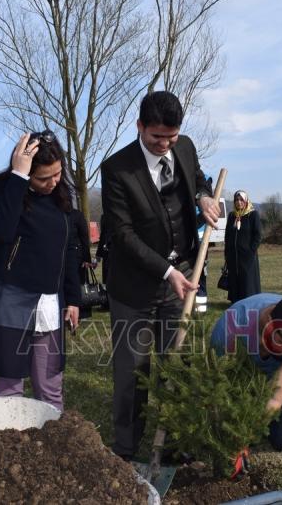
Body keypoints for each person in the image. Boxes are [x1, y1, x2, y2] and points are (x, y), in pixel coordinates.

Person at [100, 90, 220, 460]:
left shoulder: (183, 147)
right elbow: (123, 236)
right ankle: (126, 448)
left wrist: (203, 196)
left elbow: (197, 179)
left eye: (171, 136)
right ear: (140, 127)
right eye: (157, 138)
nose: (165, 145)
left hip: (182, 278)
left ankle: (177, 443)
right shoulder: (117, 170)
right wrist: (166, 271)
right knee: (133, 372)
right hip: (133, 287)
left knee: (181, 362)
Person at [0, 130, 80, 412]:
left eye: (57, 174)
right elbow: (1, 231)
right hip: (8, 301)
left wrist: (72, 298)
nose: (53, 183)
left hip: (49, 302)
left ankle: (54, 441)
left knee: (50, 384)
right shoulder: (3, 188)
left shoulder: (61, 195)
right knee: (8, 388)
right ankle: (9, 446)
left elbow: (69, 248)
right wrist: (19, 179)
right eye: (43, 178)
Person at [210, 294, 282, 452]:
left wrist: (245, 438)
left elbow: (275, 396)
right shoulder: (231, 327)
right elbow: (220, 381)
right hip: (248, 371)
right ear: (270, 323)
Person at [224, 190, 261, 303]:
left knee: (247, 278)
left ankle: (249, 300)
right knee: (235, 277)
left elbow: (258, 235)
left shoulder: (252, 214)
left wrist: (251, 250)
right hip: (233, 255)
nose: (239, 202)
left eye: (241, 200)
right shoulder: (232, 216)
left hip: (247, 255)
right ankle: (236, 300)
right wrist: (227, 251)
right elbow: (227, 235)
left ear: (246, 201)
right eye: (236, 200)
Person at [69, 208, 93, 319]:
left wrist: (86, 258)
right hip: (66, 254)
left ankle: (83, 311)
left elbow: (84, 237)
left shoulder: (77, 215)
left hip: (78, 256)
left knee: (82, 284)